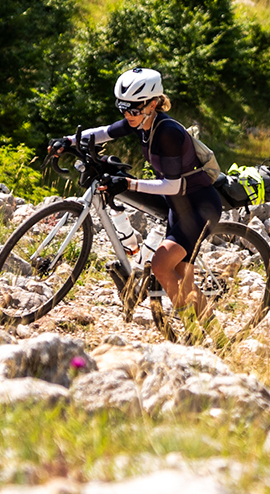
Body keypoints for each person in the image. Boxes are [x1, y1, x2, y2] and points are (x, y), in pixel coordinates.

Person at [48, 66, 228, 319]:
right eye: (122, 107)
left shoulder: (168, 133)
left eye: (133, 109)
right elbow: (104, 132)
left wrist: (128, 184)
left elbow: (172, 185)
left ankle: (209, 336)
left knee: (161, 265)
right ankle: (198, 336)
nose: (127, 114)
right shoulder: (140, 121)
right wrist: (68, 141)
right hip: (179, 206)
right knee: (182, 281)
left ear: (153, 103)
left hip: (199, 206)